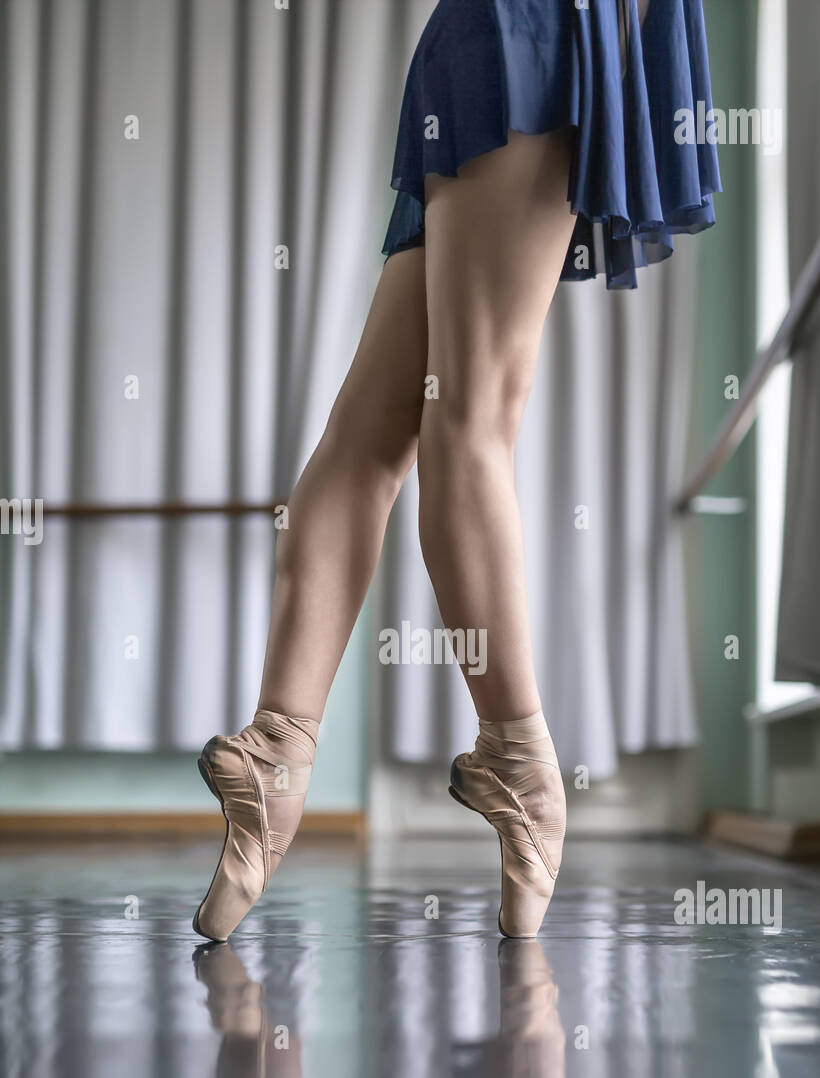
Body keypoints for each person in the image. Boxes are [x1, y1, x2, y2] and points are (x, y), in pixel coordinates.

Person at [193, 0, 721, 944]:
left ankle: (278, 755)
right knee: (468, 425)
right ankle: (520, 762)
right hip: (531, 38)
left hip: (486, 44)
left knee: (370, 436)